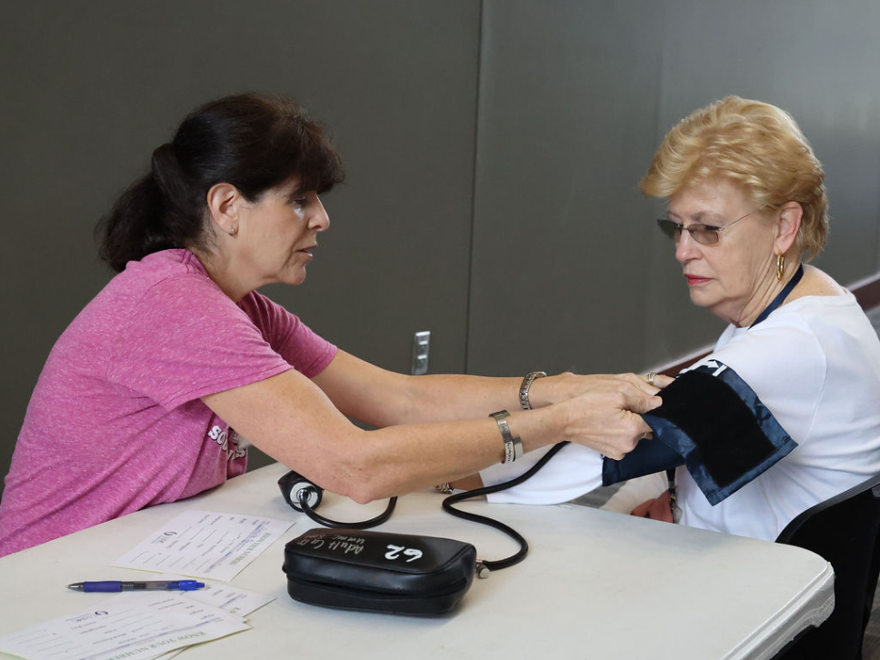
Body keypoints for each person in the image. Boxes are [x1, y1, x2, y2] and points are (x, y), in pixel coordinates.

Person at [0, 92, 662, 557]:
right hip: (45, 584)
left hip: (134, 556)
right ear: (228, 206)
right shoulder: (173, 306)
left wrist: (561, 388)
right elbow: (355, 466)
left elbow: (401, 397)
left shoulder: (237, 306)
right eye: (300, 201)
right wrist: (558, 424)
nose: (321, 220)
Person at [473, 96, 880, 543]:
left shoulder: (787, 350)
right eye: (678, 228)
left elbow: (529, 468)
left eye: (708, 229)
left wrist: (419, 465)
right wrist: (675, 499)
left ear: (784, 227)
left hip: (748, 592)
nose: (683, 251)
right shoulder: (816, 298)